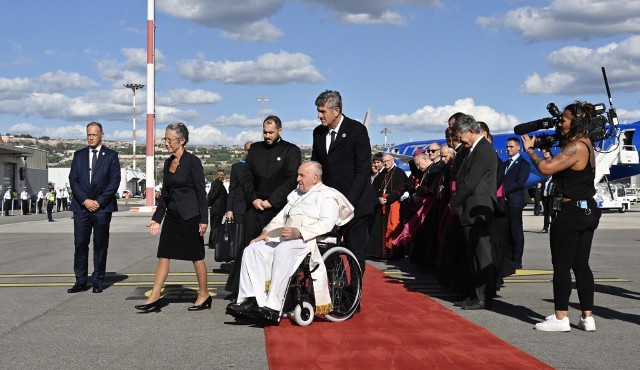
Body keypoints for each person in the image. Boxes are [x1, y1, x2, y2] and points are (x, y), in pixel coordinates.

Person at [226, 161, 354, 323]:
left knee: (283, 249)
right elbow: (280, 218)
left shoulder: (328, 195)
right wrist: (264, 233)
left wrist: (299, 232)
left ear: (315, 178)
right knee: (253, 249)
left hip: (311, 240)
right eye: (298, 174)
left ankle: (273, 307)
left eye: (302, 175)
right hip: (288, 237)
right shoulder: (296, 194)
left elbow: (326, 224)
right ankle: (251, 300)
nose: (297, 179)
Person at [522, 101, 601, 332]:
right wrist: (547, 152)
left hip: (570, 211)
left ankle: (560, 317)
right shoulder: (587, 144)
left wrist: (530, 150)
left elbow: (546, 170)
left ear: (575, 122)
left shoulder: (576, 146)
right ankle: (588, 317)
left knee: (562, 265)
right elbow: (560, 168)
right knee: (581, 264)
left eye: (564, 120)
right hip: (587, 210)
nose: (560, 123)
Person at [136, 123, 210, 312]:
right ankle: (154, 297)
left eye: (169, 140)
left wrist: (204, 219)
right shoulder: (169, 162)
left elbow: (201, 193)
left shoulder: (193, 162)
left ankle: (204, 295)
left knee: (196, 256)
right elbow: (166, 193)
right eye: (165, 139)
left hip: (190, 216)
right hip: (172, 216)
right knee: (164, 255)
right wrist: (157, 218)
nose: (166, 143)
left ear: (182, 140)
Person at [311, 90, 376, 273]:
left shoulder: (356, 130)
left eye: (323, 111)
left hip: (356, 204)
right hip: (330, 205)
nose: (319, 115)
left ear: (336, 110)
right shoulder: (318, 133)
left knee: (355, 252)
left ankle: (354, 296)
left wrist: (347, 203)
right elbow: (317, 167)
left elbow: (363, 170)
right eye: (318, 111)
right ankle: (335, 292)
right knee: (327, 249)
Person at [449, 114, 497, 310]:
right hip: (471, 208)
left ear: (470, 131)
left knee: (481, 255)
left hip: (478, 208)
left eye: (460, 134)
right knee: (472, 255)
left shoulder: (483, 150)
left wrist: (454, 202)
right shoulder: (474, 150)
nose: (459, 139)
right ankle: (474, 294)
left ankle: (483, 296)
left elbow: (471, 181)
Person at [68, 121, 121, 294]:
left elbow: (114, 181)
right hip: (81, 208)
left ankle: (98, 280)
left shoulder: (111, 156)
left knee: (100, 244)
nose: (90, 137)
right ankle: (81, 281)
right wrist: (85, 201)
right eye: (88, 134)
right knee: (80, 244)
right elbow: (73, 181)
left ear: (101, 135)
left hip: (102, 208)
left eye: (94, 134)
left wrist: (99, 201)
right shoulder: (79, 155)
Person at [244, 116, 301, 244]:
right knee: (248, 246)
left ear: (279, 131)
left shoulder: (291, 150)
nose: (267, 136)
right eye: (265, 132)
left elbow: (291, 180)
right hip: (254, 208)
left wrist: (271, 201)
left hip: (277, 209)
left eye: (271, 132)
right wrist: (253, 199)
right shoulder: (255, 149)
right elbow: (246, 177)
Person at [224, 141, 253, 299]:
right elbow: (233, 189)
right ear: (244, 151)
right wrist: (229, 209)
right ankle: (238, 286)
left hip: (255, 209)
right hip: (240, 210)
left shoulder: (258, 166)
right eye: (248, 150)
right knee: (241, 246)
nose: (250, 152)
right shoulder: (237, 167)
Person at [368, 154, 407, 259]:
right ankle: (381, 254)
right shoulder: (382, 174)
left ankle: (393, 254)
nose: (385, 163)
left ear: (392, 160)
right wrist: (379, 197)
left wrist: (388, 199)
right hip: (381, 204)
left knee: (393, 227)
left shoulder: (399, 172)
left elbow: (402, 188)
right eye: (384, 161)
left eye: (387, 161)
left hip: (393, 203)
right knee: (380, 229)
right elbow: (373, 189)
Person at [503, 137, 531, 270]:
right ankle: (508, 258)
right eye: (507, 147)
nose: (508, 149)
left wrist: (504, 192)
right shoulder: (505, 163)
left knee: (516, 231)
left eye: (511, 147)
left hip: (514, 201)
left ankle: (517, 260)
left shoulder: (523, 164)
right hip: (505, 202)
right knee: (506, 231)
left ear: (518, 147)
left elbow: (520, 182)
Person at [207, 170, 228, 249]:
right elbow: (213, 196)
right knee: (216, 226)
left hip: (216, 208)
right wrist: (208, 204)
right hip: (217, 209)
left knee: (214, 226)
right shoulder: (218, 185)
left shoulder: (216, 184)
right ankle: (213, 243)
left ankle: (212, 242)